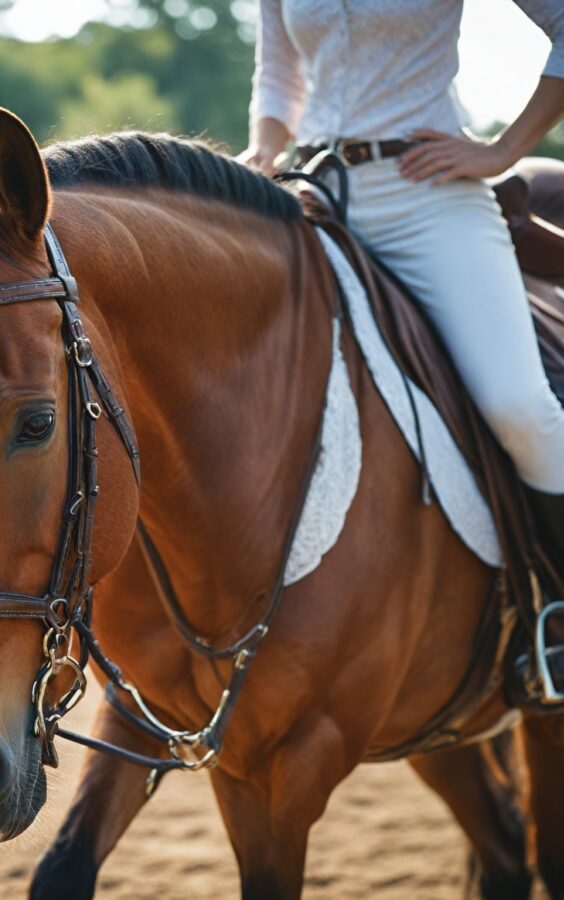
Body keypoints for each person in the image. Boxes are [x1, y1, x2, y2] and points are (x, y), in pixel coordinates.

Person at [240, 0, 564, 698]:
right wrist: (264, 146)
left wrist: (503, 149)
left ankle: (556, 616)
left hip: (426, 199)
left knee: (520, 408)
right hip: (310, 198)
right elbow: (278, 74)